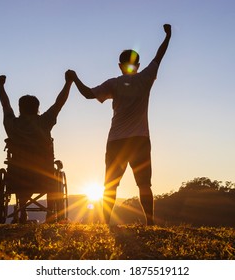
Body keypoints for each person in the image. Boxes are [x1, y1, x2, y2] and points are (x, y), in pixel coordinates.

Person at [67, 24, 172, 225]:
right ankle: (150, 223)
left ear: (119, 65)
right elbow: (160, 55)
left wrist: (74, 79)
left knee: (110, 185)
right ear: (138, 65)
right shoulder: (145, 77)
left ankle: (106, 224)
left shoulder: (113, 84)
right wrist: (168, 36)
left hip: (116, 141)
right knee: (144, 185)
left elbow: (89, 94)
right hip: (140, 140)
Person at [0, 71, 73, 223]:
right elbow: (59, 103)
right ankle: (51, 214)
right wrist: (68, 83)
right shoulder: (44, 122)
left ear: (19, 108)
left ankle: (22, 212)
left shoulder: (13, 125)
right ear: (38, 108)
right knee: (53, 174)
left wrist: (0, 86)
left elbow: (5, 104)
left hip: (18, 176)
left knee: (20, 167)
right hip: (44, 175)